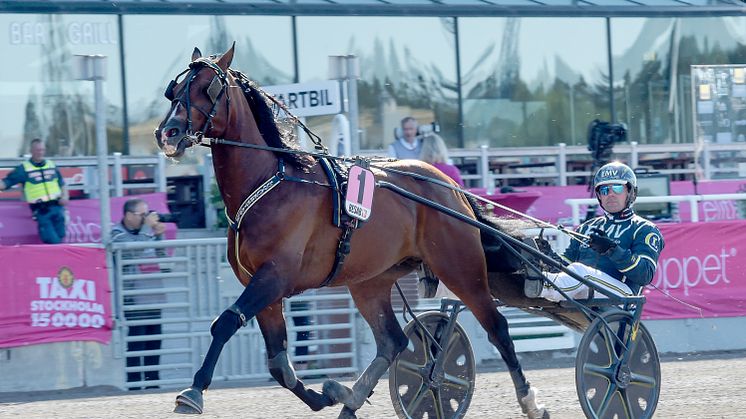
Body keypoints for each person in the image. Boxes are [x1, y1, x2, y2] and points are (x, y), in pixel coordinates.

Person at [525, 161, 665, 301]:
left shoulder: (645, 229)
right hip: (585, 292)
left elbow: (645, 275)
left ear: (630, 192)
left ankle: (542, 285)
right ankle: (532, 280)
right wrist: (549, 256)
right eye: (604, 190)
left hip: (624, 296)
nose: (610, 194)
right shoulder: (586, 228)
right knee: (577, 271)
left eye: (617, 188)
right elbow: (567, 268)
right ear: (599, 196)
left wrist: (612, 250)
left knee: (582, 273)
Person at [111, 198, 166, 389]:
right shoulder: (116, 234)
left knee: (153, 344)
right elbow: (134, 253)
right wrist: (147, 230)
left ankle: (152, 385)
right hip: (133, 299)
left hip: (153, 296)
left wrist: (159, 237)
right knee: (137, 344)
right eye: (142, 215)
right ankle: (134, 387)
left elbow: (164, 262)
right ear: (127, 215)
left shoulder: (147, 234)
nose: (146, 219)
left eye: (147, 214)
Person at [0, 138, 69, 244]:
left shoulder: (51, 165)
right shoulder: (24, 169)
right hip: (42, 211)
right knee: (53, 242)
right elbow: (6, 183)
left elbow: (62, 184)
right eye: (37, 150)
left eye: (42, 150)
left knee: (61, 239)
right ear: (31, 151)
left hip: (58, 209)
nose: (40, 152)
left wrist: (65, 197)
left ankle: (59, 260)